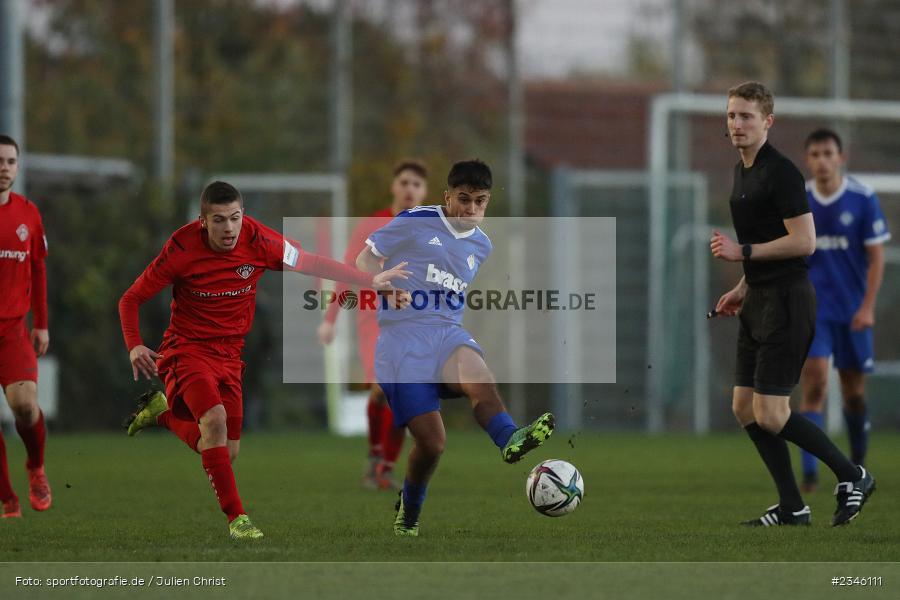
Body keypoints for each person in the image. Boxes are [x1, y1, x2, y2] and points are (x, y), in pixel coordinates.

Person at [119, 181, 409, 539]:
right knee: (214, 420)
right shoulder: (181, 248)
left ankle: (161, 414)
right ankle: (238, 520)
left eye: (235, 218)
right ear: (203, 221)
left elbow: (312, 263)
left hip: (229, 355)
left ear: (243, 215)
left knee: (225, 450)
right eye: (219, 220)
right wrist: (134, 345)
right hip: (187, 350)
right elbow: (130, 299)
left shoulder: (260, 241)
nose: (229, 228)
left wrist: (371, 280)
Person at [356, 159, 554, 537]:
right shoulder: (415, 220)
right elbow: (363, 259)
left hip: (446, 334)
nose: (471, 209)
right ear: (447, 196)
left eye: (480, 201)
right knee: (432, 445)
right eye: (464, 199)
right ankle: (409, 509)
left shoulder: (482, 245)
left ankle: (509, 438)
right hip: (401, 343)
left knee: (479, 374)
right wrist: (384, 285)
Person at [711, 82, 874, 527]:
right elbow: (766, 240)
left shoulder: (780, 172)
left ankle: (853, 474)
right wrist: (742, 287)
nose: (737, 124)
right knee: (744, 407)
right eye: (731, 115)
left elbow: (804, 241)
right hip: (758, 300)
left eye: (746, 116)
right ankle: (792, 507)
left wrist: (742, 253)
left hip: (787, 301)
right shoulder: (741, 170)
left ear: (767, 122)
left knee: (772, 413)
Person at [317, 160, 428, 490]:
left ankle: (384, 466)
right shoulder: (372, 224)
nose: (409, 189)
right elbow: (347, 271)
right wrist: (330, 320)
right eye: (404, 182)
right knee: (383, 388)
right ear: (394, 186)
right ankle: (376, 455)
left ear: (424, 191)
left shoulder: (430, 229)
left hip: (412, 319)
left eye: (416, 184)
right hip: (374, 318)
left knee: (400, 393)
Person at [798, 128, 890, 492]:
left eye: (828, 154)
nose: (822, 161)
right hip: (814, 311)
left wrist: (868, 307)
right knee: (815, 382)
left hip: (853, 312)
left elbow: (877, 257)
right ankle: (809, 474)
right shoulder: (799, 200)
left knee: (853, 391)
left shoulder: (862, 199)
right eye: (815, 154)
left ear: (841, 157)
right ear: (808, 160)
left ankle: (858, 464)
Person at [0, 135, 52, 519]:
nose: (4, 168)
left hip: (13, 330)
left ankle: (36, 467)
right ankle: (8, 500)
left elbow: (38, 268)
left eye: (10, 161)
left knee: (24, 406)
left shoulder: (28, 214)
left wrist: (42, 324)